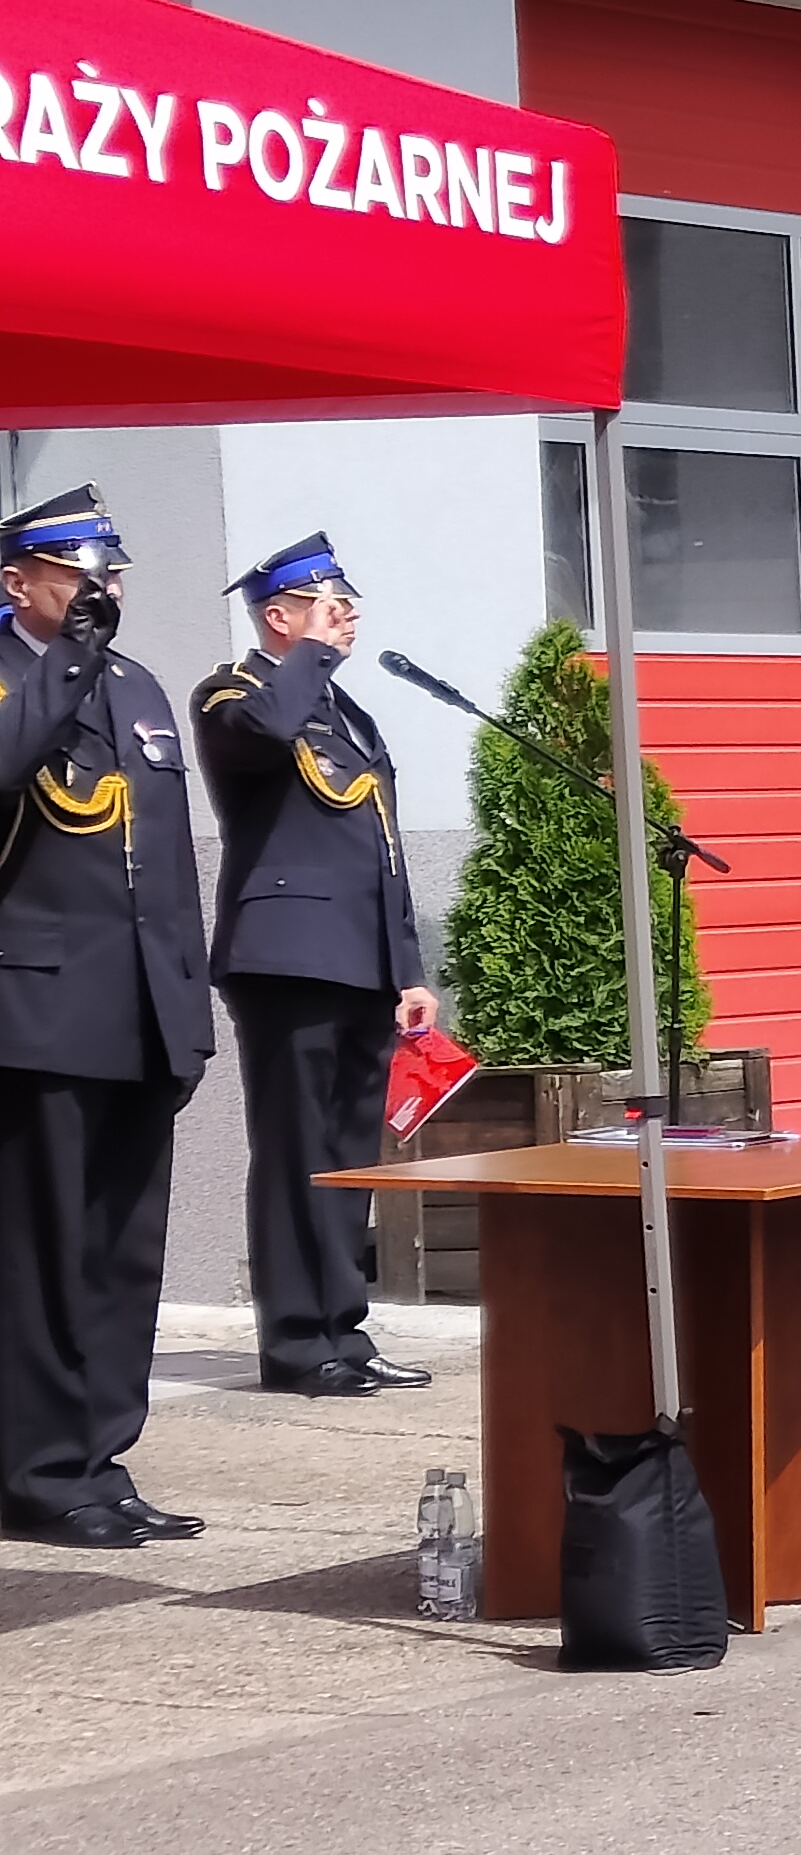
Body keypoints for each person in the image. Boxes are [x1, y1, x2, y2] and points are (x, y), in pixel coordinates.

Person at [0, 487, 213, 1550]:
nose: (106, 591)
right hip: (37, 1010)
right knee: (45, 1253)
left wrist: (189, 1005)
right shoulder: (18, 678)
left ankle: (101, 1455)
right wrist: (66, 662)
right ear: (18, 582)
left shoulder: (137, 687)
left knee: (126, 1254)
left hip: (141, 1011)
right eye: (84, 574)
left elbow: (167, 868)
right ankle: (38, 1472)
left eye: (113, 575)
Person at [191, 536, 440, 1401]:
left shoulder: (346, 712)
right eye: (328, 603)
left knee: (345, 1159)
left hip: (362, 963)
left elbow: (385, 851)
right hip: (288, 960)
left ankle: (344, 1330)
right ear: (278, 616)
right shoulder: (237, 692)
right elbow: (262, 734)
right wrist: (308, 657)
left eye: (347, 605)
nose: (347, 616)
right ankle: (297, 1342)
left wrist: (407, 967)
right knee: (296, 1151)